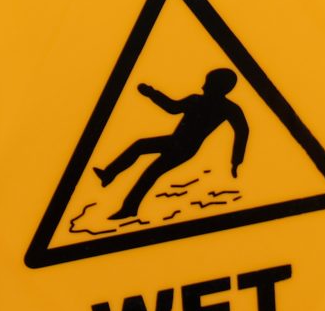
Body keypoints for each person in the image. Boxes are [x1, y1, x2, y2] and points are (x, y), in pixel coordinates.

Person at [93, 68, 251, 221]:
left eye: (208, 83)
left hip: (185, 148)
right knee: (140, 147)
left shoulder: (228, 108)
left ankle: (128, 207)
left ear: (219, 87)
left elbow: (242, 131)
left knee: (151, 171)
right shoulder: (197, 100)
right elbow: (172, 107)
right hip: (174, 141)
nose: (203, 86)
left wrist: (236, 161)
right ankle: (110, 175)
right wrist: (151, 93)